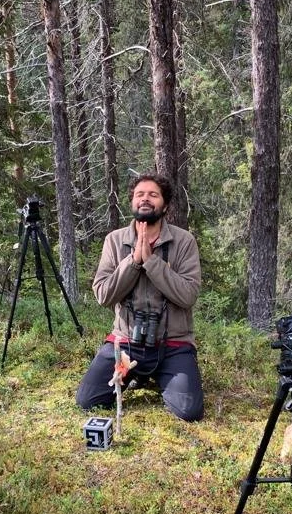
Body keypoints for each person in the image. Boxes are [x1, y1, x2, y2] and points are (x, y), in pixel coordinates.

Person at [76, 174, 204, 421]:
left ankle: (158, 376)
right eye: (139, 194)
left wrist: (151, 262)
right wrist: (134, 261)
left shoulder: (184, 241)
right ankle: (134, 374)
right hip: (125, 345)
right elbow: (103, 295)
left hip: (173, 346)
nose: (145, 198)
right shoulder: (115, 241)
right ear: (132, 202)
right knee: (88, 399)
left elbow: (188, 295)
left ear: (165, 205)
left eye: (153, 194)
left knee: (189, 411)